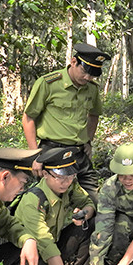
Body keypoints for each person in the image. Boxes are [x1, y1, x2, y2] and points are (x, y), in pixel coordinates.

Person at [22, 43, 111, 204]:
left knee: (94, 201)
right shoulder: (48, 83)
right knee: (49, 202)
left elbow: (94, 115)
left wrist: (88, 141)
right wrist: (34, 155)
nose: (87, 78)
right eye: (84, 71)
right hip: (52, 152)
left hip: (79, 153)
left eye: (92, 75)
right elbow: (28, 118)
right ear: (73, 62)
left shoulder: (91, 88)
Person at [16, 147, 96, 265]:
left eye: (70, 176)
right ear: (45, 174)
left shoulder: (69, 186)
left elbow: (88, 204)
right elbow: (44, 243)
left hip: (54, 245)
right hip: (32, 256)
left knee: (88, 226)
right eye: (60, 177)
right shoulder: (33, 200)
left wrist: (83, 214)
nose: (66, 182)